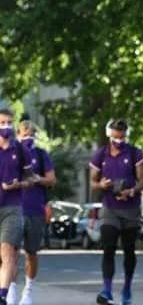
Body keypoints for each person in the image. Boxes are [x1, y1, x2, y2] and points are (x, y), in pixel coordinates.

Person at [89, 119, 143, 305]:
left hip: (130, 209)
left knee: (129, 249)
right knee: (108, 247)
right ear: (109, 134)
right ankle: (106, 289)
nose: (118, 140)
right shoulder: (100, 154)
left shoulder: (134, 152)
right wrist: (101, 185)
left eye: (121, 137)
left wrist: (131, 191)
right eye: (115, 136)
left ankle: (127, 289)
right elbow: (93, 182)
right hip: (110, 208)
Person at [8, 120, 56, 305]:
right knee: (10, 253)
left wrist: (37, 178)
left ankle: (28, 291)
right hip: (13, 209)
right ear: (17, 135)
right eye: (24, 134)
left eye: (31, 134)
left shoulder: (41, 154)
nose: (27, 137)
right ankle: (10, 290)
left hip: (35, 210)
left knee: (31, 253)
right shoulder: (10, 154)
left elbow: (52, 180)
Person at [0, 109, 33, 305]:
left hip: (13, 207)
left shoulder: (21, 150)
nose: (6, 127)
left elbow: (30, 178)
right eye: (2, 122)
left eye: (9, 123)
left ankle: (3, 296)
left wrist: (18, 184)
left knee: (8, 250)